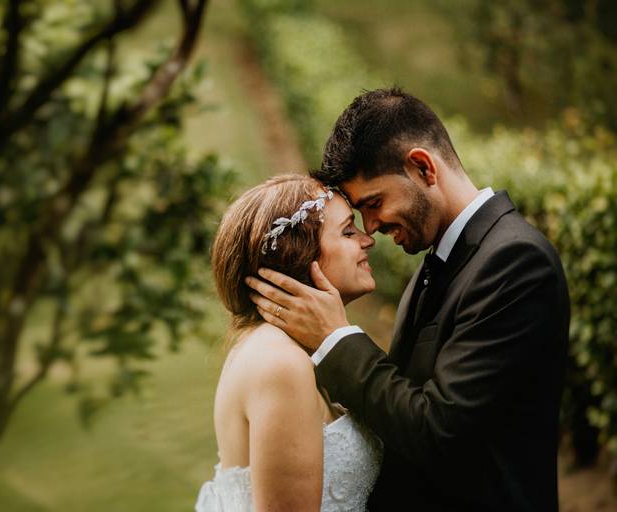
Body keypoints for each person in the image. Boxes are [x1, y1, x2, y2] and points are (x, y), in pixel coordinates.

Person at [247, 88, 570, 511]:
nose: (371, 227)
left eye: (374, 203)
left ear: (422, 167)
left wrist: (337, 338)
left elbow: (439, 431)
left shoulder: (515, 261)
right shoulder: (434, 263)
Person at [196, 174, 382, 512]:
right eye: (348, 231)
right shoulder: (279, 362)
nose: (367, 240)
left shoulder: (290, 349)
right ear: (299, 256)